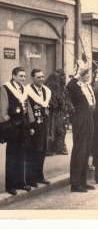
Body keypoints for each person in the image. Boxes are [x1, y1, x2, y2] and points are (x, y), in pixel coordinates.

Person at [0, 67, 35, 195]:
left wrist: (30, 124)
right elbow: (3, 112)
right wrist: (10, 124)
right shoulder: (6, 88)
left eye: (24, 76)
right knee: (12, 157)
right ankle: (10, 185)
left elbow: (28, 109)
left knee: (22, 155)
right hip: (13, 128)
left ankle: (20, 182)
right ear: (14, 76)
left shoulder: (23, 89)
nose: (23, 78)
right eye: (21, 76)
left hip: (23, 128)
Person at [67, 60, 96, 192]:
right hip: (80, 117)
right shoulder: (75, 86)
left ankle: (83, 181)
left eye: (89, 75)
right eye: (86, 75)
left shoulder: (87, 86)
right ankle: (75, 183)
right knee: (79, 150)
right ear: (81, 75)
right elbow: (70, 85)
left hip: (89, 117)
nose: (89, 77)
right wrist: (78, 73)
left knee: (86, 150)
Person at [25, 69, 51, 187]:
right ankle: (30, 179)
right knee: (33, 152)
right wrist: (30, 126)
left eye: (42, 77)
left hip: (43, 125)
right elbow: (27, 110)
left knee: (42, 151)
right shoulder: (28, 91)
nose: (41, 79)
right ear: (32, 78)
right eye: (38, 77)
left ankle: (39, 176)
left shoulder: (45, 91)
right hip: (34, 125)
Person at [44, 69, 74, 156]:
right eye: (62, 76)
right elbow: (52, 98)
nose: (63, 78)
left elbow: (65, 97)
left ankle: (58, 147)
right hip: (53, 112)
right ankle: (50, 148)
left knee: (60, 130)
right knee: (51, 130)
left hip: (60, 112)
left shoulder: (61, 86)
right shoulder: (52, 84)